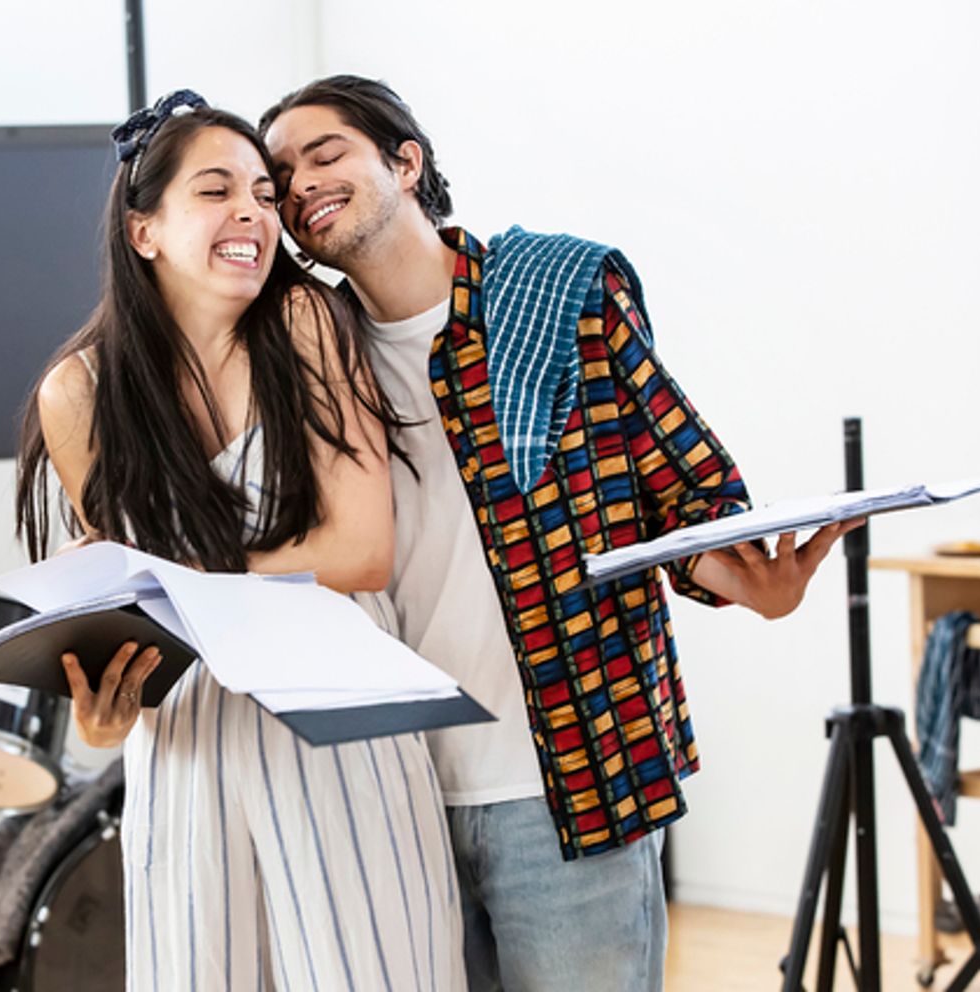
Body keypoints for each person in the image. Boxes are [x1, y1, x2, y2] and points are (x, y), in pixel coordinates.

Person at [260, 76, 858, 992]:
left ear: (405, 162)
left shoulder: (554, 294)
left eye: (325, 153)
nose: (300, 183)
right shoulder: (313, 351)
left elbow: (677, 490)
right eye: (281, 173)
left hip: (567, 778)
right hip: (393, 794)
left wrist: (749, 582)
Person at [15, 89, 465, 991]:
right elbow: (123, 624)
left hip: (337, 724)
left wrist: (163, 582)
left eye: (264, 194)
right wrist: (106, 710)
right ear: (143, 231)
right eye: (217, 192)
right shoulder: (79, 393)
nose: (254, 214)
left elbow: (358, 551)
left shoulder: (304, 326)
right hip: (185, 750)